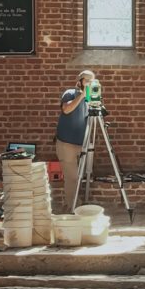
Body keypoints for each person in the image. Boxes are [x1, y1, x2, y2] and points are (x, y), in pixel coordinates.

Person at [56, 70, 96, 211]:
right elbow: (66, 109)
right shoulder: (70, 93)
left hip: (82, 142)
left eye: (92, 81)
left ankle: (76, 204)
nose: (90, 84)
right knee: (72, 178)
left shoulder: (90, 99)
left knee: (82, 176)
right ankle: (72, 207)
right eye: (87, 81)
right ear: (79, 81)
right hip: (67, 143)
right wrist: (82, 95)